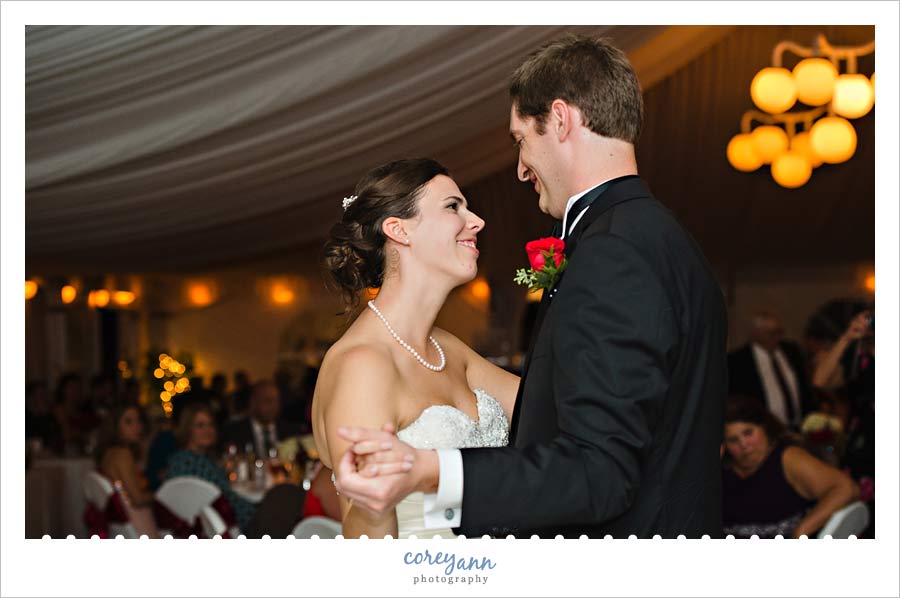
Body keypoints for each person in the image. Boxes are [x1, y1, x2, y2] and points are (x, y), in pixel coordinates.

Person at [333, 35, 728, 538]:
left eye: (521, 138)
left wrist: (434, 469)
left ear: (560, 120)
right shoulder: (667, 240)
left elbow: (600, 470)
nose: (520, 167)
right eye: (453, 207)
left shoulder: (614, 252)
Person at [312, 157, 519, 538]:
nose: (477, 221)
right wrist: (374, 510)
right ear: (399, 230)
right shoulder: (364, 365)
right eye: (453, 206)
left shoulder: (448, 349)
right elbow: (367, 536)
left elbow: (545, 406)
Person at [722, 395, 858, 538]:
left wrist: (802, 531)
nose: (744, 444)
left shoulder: (789, 458)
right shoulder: (720, 468)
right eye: (733, 440)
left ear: (763, 427)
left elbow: (846, 488)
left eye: (748, 433)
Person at [166, 403, 305, 538]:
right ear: (187, 429)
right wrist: (257, 510)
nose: (208, 430)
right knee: (287, 494)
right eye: (200, 425)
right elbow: (227, 499)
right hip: (233, 528)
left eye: (210, 425)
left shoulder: (180, 460)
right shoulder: (195, 462)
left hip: (206, 529)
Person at [728, 310, 815, 428]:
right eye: (770, 333)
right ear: (755, 333)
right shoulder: (737, 361)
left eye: (779, 332)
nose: (777, 337)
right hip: (762, 426)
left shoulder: (791, 351)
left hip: (798, 424)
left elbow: (805, 387)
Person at [95, 403, 160, 537]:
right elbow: (138, 499)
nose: (137, 427)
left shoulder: (109, 453)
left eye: (138, 420)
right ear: (115, 426)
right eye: (128, 422)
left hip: (121, 525)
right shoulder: (123, 454)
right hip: (137, 523)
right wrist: (162, 493)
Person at [220, 380, 299, 457]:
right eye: (268, 401)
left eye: (277, 401)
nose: (274, 406)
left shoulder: (290, 431)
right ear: (253, 403)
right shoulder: (235, 432)